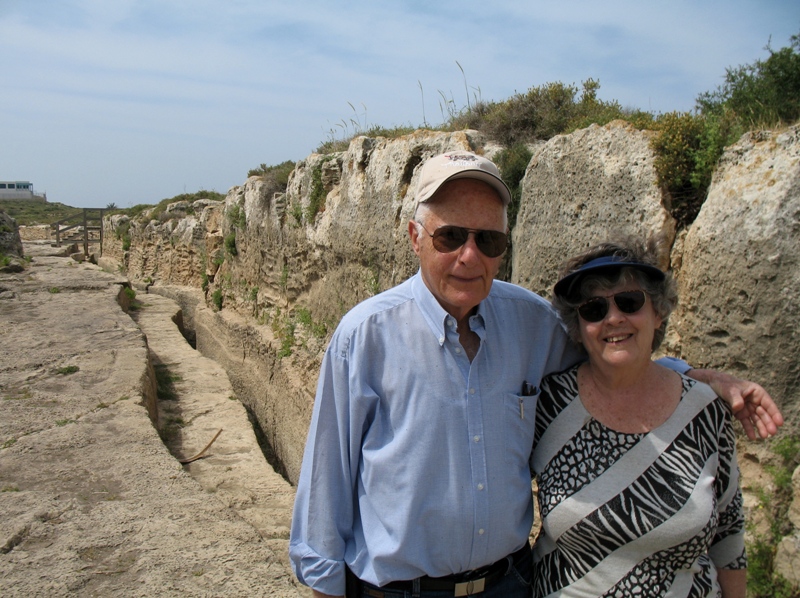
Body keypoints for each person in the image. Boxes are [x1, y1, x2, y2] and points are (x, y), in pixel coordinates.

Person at [289, 151, 778, 598]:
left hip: (510, 585)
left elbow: (612, 355)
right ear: (416, 237)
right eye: (451, 236)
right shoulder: (365, 335)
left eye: (489, 240)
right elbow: (326, 485)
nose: (469, 256)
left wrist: (696, 377)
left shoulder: (530, 322)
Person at [531, 238, 746, 597]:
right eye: (594, 309)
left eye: (629, 303)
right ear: (579, 328)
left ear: (658, 313)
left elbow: (729, 533)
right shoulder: (549, 402)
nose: (613, 318)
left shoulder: (705, 409)